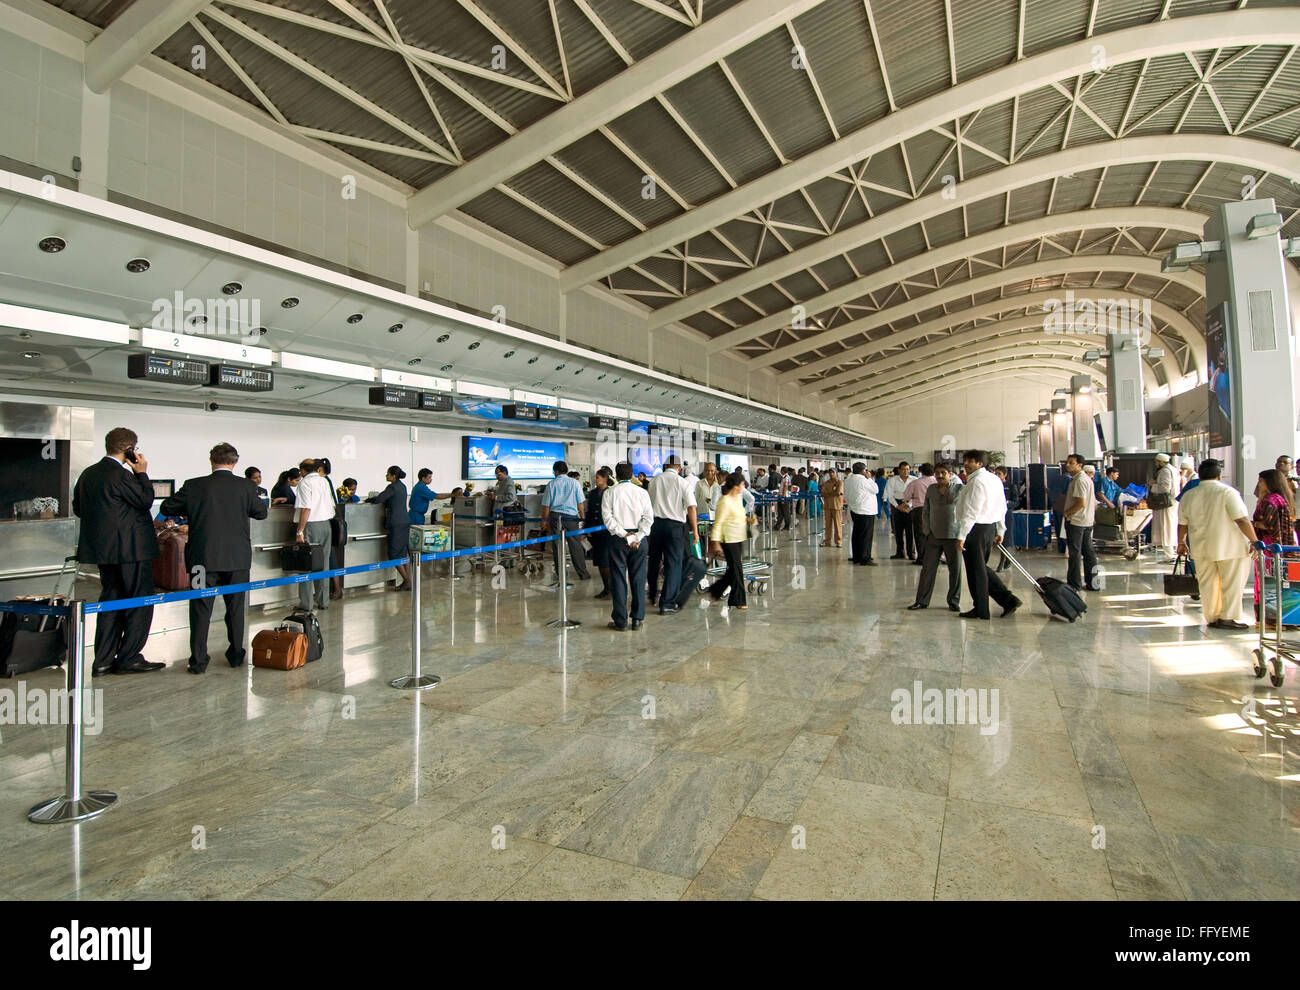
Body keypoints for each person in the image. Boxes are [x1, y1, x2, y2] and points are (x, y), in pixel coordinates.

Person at [160, 442, 268, 674]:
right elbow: (261, 513)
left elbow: (167, 507)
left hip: (202, 559)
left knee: (200, 608)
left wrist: (193, 509)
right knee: (236, 607)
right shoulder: (246, 486)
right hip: (236, 560)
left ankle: (198, 660)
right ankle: (236, 655)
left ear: (211, 460)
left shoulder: (194, 485)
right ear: (235, 462)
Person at [72, 427, 166, 676]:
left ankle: (102, 660)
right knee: (139, 601)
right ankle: (129, 658)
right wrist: (142, 473)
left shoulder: (88, 474)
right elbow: (145, 501)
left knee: (110, 601)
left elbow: (79, 508)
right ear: (130, 450)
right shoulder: (123, 475)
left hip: (103, 552)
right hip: (131, 550)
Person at [1177, 459, 1257, 630]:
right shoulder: (1228, 492)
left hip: (1201, 548)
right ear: (1219, 475)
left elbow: (1182, 524)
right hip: (1230, 548)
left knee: (1207, 584)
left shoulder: (1189, 495)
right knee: (1232, 583)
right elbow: (1241, 519)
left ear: (1200, 475)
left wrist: (1181, 542)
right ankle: (1228, 617)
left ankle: (1212, 616)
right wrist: (1254, 540)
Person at [954, 450, 1022, 621]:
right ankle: (1007, 600)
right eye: (966, 461)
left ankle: (982, 609)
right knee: (980, 568)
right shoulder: (993, 479)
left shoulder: (977, 482)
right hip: (987, 528)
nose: (966, 464)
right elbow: (1001, 506)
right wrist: (1000, 529)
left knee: (976, 571)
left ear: (980, 463)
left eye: (971, 461)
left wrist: (962, 535)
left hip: (975, 530)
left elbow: (972, 511)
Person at [601, 461, 653, 631]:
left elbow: (608, 519)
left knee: (618, 579)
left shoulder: (609, 493)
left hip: (618, 540)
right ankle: (637, 618)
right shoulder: (642, 492)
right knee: (638, 579)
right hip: (639, 540)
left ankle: (621, 621)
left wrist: (625, 535)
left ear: (615, 476)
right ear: (632, 475)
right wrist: (637, 536)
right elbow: (648, 518)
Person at [908, 461, 962, 612]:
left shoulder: (959, 488)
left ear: (951, 474)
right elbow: (926, 511)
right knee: (927, 569)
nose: (940, 475)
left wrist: (962, 533)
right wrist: (927, 531)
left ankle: (954, 601)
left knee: (955, 570)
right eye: (937, 473)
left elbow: (966, 510)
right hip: (933, 536)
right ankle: (921, 601)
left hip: (953, 536)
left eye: (943, 473)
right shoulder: (931, 489)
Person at [646, 457, 695, 613]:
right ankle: (667, 603)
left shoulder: (654, 481)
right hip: (675, 527)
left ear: (665, 465)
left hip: (655, 525)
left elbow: (648, 505)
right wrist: (694, 531)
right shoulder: (682, 483)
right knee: (673, 564)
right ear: (679, 468)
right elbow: (691, 508)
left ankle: (652, 594)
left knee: (654, 561)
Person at [1252, 469, 1297, 618]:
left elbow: (1268, 525)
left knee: (1267, 580)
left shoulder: (1270, 501)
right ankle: (1281, 618)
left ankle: (1269, 618)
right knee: (1279, 579)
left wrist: (1253, 524)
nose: (1259, 484)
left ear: (1269, 482)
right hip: (1280, 545)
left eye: (1261, 481)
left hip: (1268, 546)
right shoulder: (1280, 498)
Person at [293, 457, 334, 611]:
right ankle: (323, 601)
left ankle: (306, 604)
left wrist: (300, 531)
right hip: (326, 525)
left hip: (311, 525)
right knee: (324, 564)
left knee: (306, 565)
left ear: (303, 470)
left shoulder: (305, 483)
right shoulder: (324, 481)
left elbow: (306, 508)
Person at [541, 459, 590, 584]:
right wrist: (582, 518)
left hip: (555, 518)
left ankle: (560, 574)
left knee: (557, 546)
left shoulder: (551, 484)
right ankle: (583, 573)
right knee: (576, 545)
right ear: (566, 471)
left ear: (556, 471)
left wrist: (544, 522)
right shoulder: (574, 483)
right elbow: (580, 503)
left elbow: (546, 506)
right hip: (571, 518)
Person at [704, 475, 748, 610]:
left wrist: (749, 520)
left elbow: (739, 516)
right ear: (735, 486)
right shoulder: (724, 501)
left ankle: (716, 590)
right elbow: (718, 523)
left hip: (739, 537)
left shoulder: (737, 499)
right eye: (742, 484)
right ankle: (739, 600)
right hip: (728, 539)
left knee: (733, 570)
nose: (743, 487)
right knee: (737, 570)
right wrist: (716, 543)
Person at [364, 467, 412, 591]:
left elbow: (379, 499)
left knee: (394, 554)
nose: (386, 476)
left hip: (396, 523)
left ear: (393, 476)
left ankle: (407, 581)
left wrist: (370, 499)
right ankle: (407, 580)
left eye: (388, 474)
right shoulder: (402, 486)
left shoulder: (392, 487)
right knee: (403, 553)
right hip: (405, 521)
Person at [1062, 454, 1099, 593]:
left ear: (1079, 465)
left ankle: (1074, 584)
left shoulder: (1080, 480)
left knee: (1075, 553)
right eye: (1067, 462)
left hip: (1077, 521)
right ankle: (1093, 583)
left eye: (1071, 463)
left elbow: (1081, 503)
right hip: (1086, 521)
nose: (1067, 465)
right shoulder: (1086, 479)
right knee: (1089, 552)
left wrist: (1067, 513)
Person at [586, 466, 614, 599]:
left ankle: (610, 589)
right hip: (595, 532)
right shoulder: (592, 494)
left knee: (605, 561)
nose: (595, 480)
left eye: (597, 477)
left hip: (608, 533)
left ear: (605, 479)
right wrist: (586, 529)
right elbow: (590, 512)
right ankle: (606, 588)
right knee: (599, 562)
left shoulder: (611, 492)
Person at [843, 461, 879, 565]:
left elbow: (846, 494)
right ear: (863, 471)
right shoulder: (863, 480)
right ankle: (865, 558)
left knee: (857, 534)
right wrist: (870, 478)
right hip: (866, 511)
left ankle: (857, 557)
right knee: (866, 535)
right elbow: (875, 489)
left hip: (854, 510)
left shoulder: (848, 479)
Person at [1149, 452, 1180, 561]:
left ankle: (1170, 555)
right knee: (1170, 527)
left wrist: (1153, 484)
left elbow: (1165, 488)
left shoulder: (1165, 471)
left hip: (1166, 504)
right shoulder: (1173, 470)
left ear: (1161, 462)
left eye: (1157, 462)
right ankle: (1172, 553)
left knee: (1166, 527)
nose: (1156, 464)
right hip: (1172, 502)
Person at [902, 464, 935, 564]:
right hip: (935, 510)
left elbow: (906, 496)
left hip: (920, 510)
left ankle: (922, 558)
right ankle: (934, 557)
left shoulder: (915, 483)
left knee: (920, 534)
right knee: (934, 534)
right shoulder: (937, 481)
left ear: (921, 471)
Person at [885, 464, 914, 559]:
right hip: (896, 505)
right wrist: (897, 506)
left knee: (910, 531)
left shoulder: (914, 480)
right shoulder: (892, 480)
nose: (905, 471)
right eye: (903, 469)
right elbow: (889, 495)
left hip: (910, 506)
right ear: (899, 470)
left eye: (907, 469)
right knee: (898, 531)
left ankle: (911, 553)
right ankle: (900, 552)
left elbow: (916, 495)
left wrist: (909, 505)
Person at [820, 468, 844, 547]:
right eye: (830, 472)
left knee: (837, 524)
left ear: (836, 473)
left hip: (836, 506)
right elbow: (822, 493)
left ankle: (838, 541)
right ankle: (827, 541)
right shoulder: (826, 483)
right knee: (828, 525)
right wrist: (832, 493)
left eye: (833, 472)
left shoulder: (839, 482)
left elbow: (838, 492)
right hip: (827, 506)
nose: (831, 474)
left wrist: (828, 493)